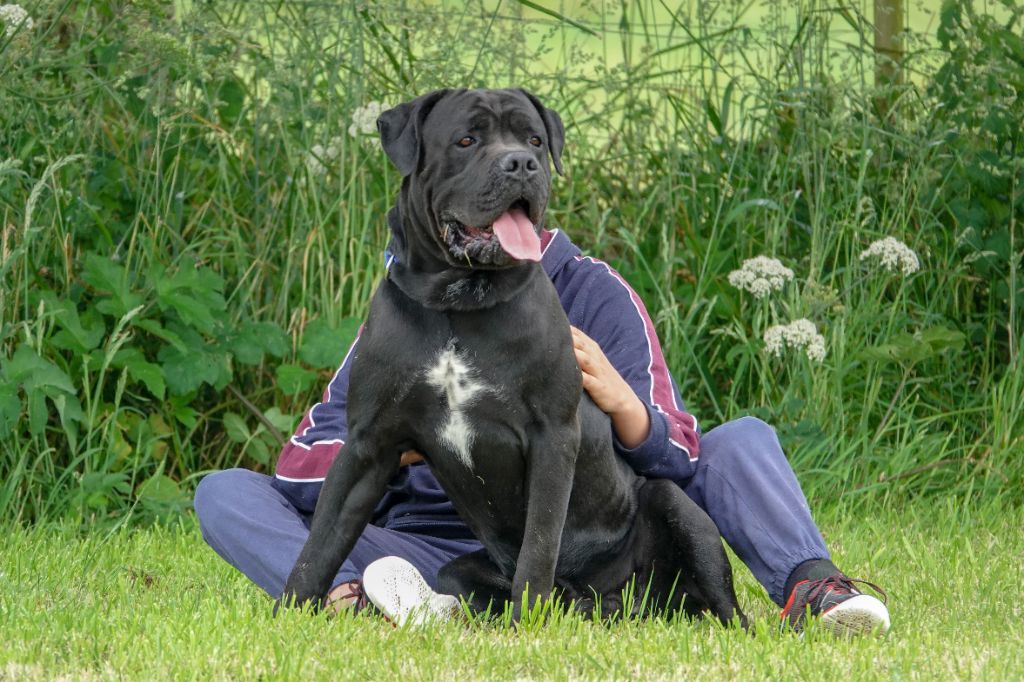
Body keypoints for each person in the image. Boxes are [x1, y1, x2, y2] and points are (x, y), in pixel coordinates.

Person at [194, 228, 890, 636]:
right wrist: (394, 448)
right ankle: (361, 596)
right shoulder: (407, 304)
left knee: (739, 438)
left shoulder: (596, 293)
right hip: (434, 539)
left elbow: (678, 449)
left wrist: (623, 403)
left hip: (589, 527)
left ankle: (812, 587)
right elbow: (299, 463)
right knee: (226, 492)